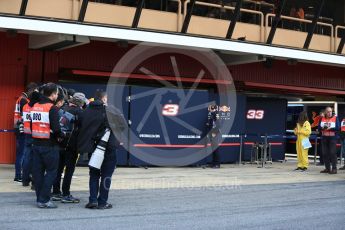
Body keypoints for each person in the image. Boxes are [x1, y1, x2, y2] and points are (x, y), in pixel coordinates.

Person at [78, 90, 118, 209]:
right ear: (104, 98)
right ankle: (102, 202)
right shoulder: (109, 111)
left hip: (92, 148)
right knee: (106, 175)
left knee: (94, 174)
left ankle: (93, 200)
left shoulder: (86, 111)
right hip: (108, 148)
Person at [31, 83, 65, 208]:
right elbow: (56, 129)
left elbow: (31, 125)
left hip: (36, 144)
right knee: (51, 172)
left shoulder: (35, 106)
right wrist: (62, 135)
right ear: (52, 94)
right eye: (56, 93)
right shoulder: (52, 108)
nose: (57, 95)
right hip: (49, 145)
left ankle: (39, 198)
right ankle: (44, 199)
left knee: (38, 173)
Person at [52, 92, 87, 203]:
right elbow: (83, 128)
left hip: (59, 143)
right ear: (81, 102)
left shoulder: (63, 109)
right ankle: (66, 194)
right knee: (69, 170)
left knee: (58, 169)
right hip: (71, 145)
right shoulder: (80, 112)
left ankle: (56, 192)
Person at [13, 82, 38, 182]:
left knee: (21, 153)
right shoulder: (24, 100)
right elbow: (26, 116)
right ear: (31, 90)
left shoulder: (20, 99)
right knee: (22, 154)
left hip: (19, 128)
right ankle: (19, 176)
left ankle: (20, 175)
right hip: (22, 129)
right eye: (35, 91)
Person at [22, 89, 40, 188]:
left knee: (26, 157)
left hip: (27, 133)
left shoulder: (25, 106)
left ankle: (25, 180)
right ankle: (34, 182)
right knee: (36, 159)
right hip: (35, 134)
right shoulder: (37, 107)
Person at [318, 107, 340, 174]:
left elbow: (338, 128)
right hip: (324, 137)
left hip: (332, 138)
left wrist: (330, 128)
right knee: (325, 153)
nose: (329, 113)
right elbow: (318, 127)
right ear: (325, 112)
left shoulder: (335, 118)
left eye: (330, 111)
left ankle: (334, 169)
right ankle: (327, 168)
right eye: (328, 111)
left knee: (332, 153)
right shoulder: (322, 118)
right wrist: (322, 128)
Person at [206, 104, 221, 168]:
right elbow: (211, 124)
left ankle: (217, 164)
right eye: (210, 108)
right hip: (211, 134)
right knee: (213, 149)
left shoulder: (216, 114)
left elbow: (218, 124)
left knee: (216, 149)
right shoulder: (211, 114)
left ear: (214, 108)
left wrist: (214, 133)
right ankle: (213, 163)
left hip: (215, 134)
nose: (209, 109)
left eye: (211, 108)